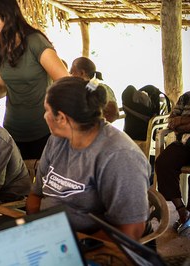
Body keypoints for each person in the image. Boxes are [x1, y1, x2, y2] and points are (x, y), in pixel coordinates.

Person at [26, 76, 150, 241]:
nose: (44, 116)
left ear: (62, 118)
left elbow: (131, 229)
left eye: (47, 110)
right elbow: (36, 195)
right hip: (51, 236)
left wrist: (75, 245)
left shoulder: (119, 155)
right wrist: (35, 234)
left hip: (92, 247)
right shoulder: (57, 140)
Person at [0, 0, 69, 160]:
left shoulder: (35, 42)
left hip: (44, 131)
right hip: (12, 130)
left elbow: (66, 83)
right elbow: (1, 86)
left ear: (7, 17)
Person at [155, 91, 190, 236]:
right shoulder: (186, 97)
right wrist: (186, 122)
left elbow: (176, 122)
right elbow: (171, 121)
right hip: (183, 143)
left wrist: (180, 122)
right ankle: (182, 210)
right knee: (163, 163)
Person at [70, 56, 119, 123]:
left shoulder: (95, 87)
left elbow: (113, 113)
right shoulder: (92, 87)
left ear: (82, 73)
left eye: (72, 72)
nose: (70, 75)